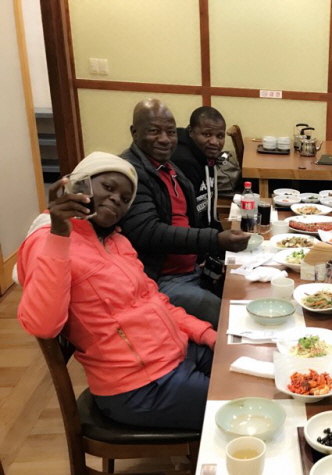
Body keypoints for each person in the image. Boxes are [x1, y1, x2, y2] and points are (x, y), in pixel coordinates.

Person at [16, 152, 216, 432]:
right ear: (80, 184)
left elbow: (155, 300)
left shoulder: (116, 241)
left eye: (125, 198)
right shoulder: (48, 241)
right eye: (108, 187)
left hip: (177, 353)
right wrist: (60, 235)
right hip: (140, 385)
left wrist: (206, 334)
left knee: (250, 370)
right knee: (244, 404)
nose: (116, 200)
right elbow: (43, 325)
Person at [119, 99, 251, 328]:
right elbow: (148, 232)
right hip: (160, 279)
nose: (164, 139)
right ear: (134, 132)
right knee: (234, 319)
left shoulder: (169, 167)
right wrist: (215, 240)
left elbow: (193, 218)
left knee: (247, 291)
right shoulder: (130, 173)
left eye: (170, 132)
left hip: (193, 268)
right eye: (154, 131)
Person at [171, 106, 227, 230]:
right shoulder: (183, 162)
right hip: (189, 235)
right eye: (207, 134)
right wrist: (215, 239)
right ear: (191, 132)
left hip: (204, 231)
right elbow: (184, 219)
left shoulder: (207, 155)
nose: (214, 142)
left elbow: (208, 207)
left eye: (220, 136)